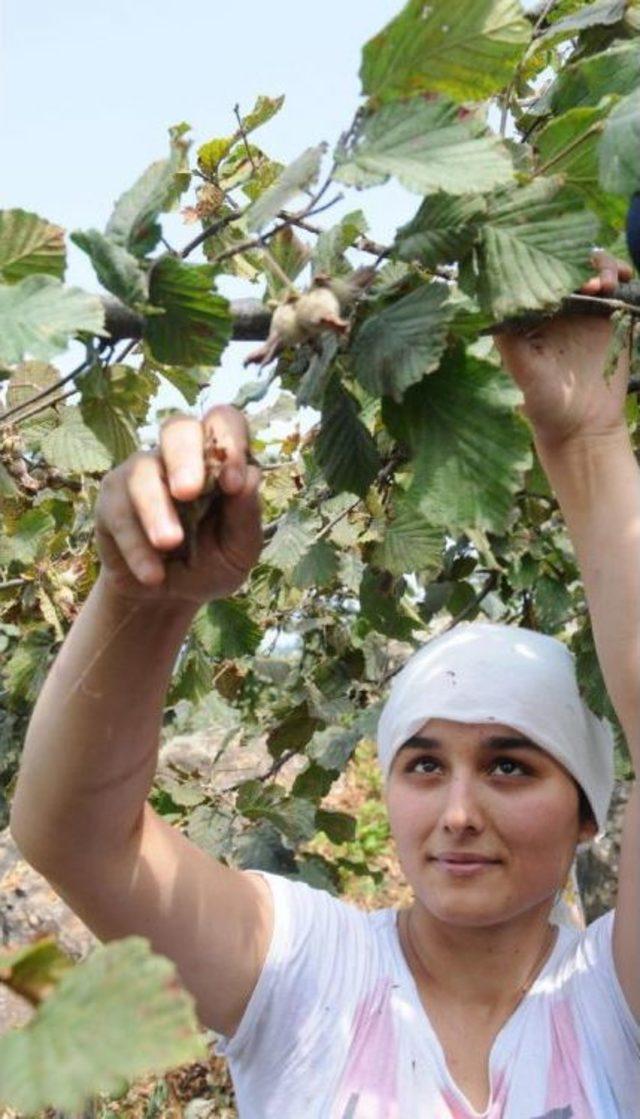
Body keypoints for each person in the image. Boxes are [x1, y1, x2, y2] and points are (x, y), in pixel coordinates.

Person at [9, 253, 639, 1118]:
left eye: (509, 766)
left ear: (587, 812)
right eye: (423, 765)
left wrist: (587, 447)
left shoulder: (612, 999)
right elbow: (78, 838)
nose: (457, 811)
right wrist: (147, 600)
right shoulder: (311, 971)